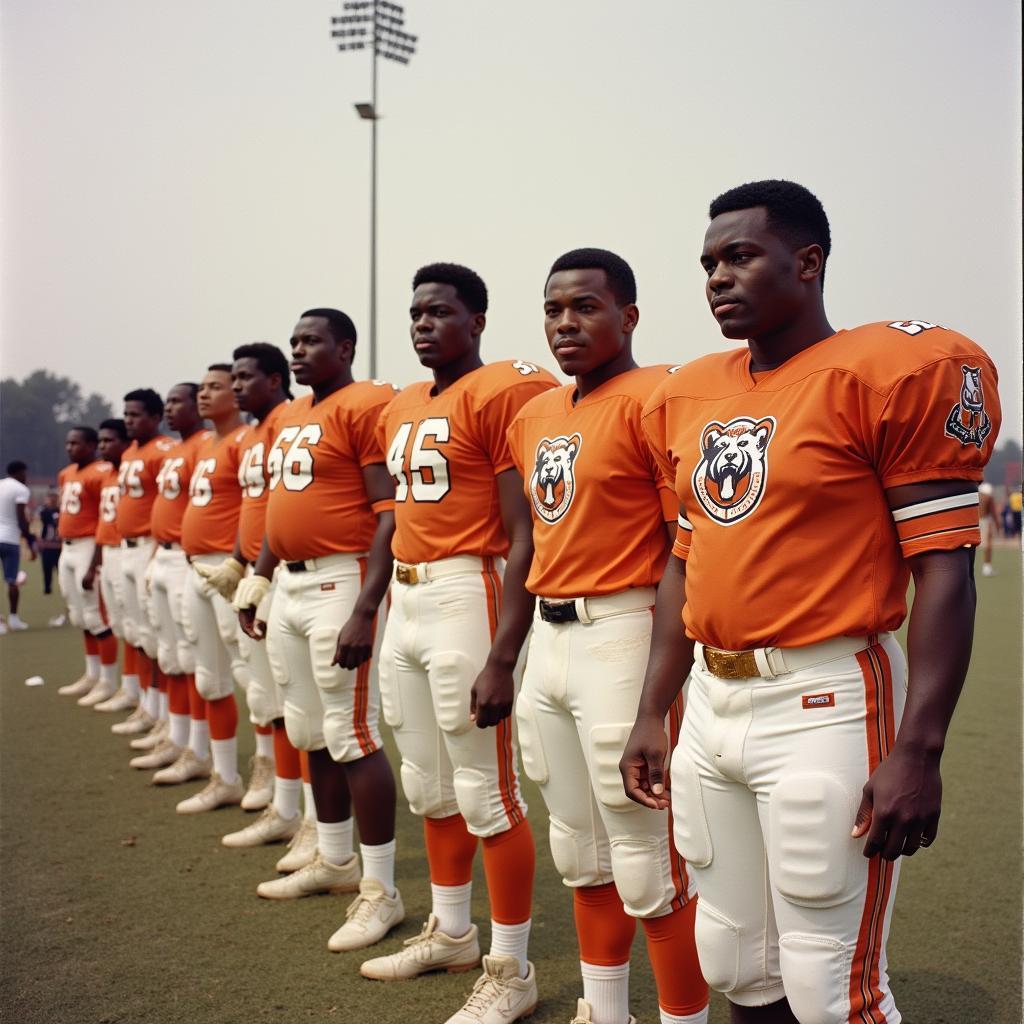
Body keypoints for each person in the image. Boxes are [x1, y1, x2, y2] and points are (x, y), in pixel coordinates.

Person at [621, 179, 1001, 1024]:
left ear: (808, 261)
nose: (718, 277)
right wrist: (655, 709)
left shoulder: (888, 371)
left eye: (741, 256)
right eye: (709, 262)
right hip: (713, 703)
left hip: (825, 695)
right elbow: (687, 561)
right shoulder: (690, 392)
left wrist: (920, 749)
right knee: (736, 962)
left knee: (832, 989)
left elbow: (944, 567)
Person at [507, 249, 708, 1024]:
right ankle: (605, 1010)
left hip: (623, 630)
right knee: (578, 853)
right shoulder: (535, 415)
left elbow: (679, 553)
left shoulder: (655, 397)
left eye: (585, 307)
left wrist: (659, 696)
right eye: (554, 309)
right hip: (550, 641)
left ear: (628, 315)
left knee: (647, 860)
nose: (566, 323)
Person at [361, 263, 556, 1024]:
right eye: (414, 313)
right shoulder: (403, 403)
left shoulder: (503, 390)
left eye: (439, 312)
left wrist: (506, 649)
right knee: (427, 783)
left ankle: (511, 969)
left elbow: (522, 531)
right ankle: (451, 931)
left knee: (486, 790)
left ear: (477, 320)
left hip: (465, 591)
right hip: (407, 599)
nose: (421, 324)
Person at [234, 307, 400, 954]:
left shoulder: (361, 405)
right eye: (295, 341)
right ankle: (333, 859)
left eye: (312, 341)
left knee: (352, 731)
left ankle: (380, 887)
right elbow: (282, 509)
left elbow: (387, 511)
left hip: (341, 577)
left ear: (346, 346)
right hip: (292, 582)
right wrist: (260, 575)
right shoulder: (293, 416)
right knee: (305, 726)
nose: (299, 350)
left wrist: (366, 604)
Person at [198, 341, 309, 849]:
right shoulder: (255, 431)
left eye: (245, 377)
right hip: (261, 569)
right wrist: (243, 564)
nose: (237, 386)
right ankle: (286, 804)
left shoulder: (291, 418)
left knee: (297, 705)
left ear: (274, 379)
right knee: (269, 698)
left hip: (299, 571)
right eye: (233, 378)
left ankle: (308, 815)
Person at [173, 365, 253, 813]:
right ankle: (224, 775)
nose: (205, 395)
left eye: (215, 387)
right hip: (193, 567)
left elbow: (255, 505)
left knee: (249, 675)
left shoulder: (246, 441)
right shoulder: (203, 444)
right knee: (209, 676)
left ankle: (266, 772)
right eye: (201, 387)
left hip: (229, 565)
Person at [131, 383, 212, 778]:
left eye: (179, 400)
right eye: (169, 402)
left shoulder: (203, 446)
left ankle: (199, 749)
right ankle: (178, 738)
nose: (171, 407)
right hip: (161, 553)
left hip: (187, 557)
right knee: (170, 655)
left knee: (194, 659)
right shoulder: (179, 450)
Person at [114, 390, 176, 731]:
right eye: (126, 414)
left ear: (155, 417)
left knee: (158, 638)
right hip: (126, 548)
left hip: (151, 547)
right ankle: (150, 706)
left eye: (135, 415)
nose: (129, 421)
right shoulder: (130, 452)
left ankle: (166, 714)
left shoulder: (164, 451)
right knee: (139, 633)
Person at [54, 427, 121, 707]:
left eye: (76, 443)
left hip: (87, 546)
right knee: (79, 616)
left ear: (92, 445)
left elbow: (104, 518)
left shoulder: (101, 472)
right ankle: (92, 674)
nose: (70, 448)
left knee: (95, 616)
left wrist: (95, 562)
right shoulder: (66, 473)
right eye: (68, 442)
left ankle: (108, 680)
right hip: (67, 548)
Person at [88, 419, 137, 714]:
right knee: (122, 626)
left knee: (141, 633)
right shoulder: (107, 473)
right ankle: (128, 687)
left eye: (108, 441)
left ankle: (143, 697)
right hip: (109, 551)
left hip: (129, 549)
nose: (103, 447)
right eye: (101, 441)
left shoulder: (134, 468)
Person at [0, 460, 36, 633]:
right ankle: (13, 618)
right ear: (20, 472)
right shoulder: (21, 490)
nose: (26, 477)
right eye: (25, 473)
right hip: (9, 539)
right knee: (11, 581)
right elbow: (21, 519)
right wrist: (30, 541)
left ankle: (0, 622)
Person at [37, 491, 62, 598]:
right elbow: (45, 520)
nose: (53, 499)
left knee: (61, 570)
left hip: (59, 546)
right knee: (47, 570)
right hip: (47, 546)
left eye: (54, 496)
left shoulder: (61, 510)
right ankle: (47, 589)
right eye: (51, 496)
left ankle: (64, 588)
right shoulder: (44, 511)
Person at [978, 482, 997, 576]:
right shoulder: (988, 497)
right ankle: (987, 568)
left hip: (973, 521)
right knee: (988, 545)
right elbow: (994, 512)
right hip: (984, 521)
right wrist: (998, 525)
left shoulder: (975, 496)